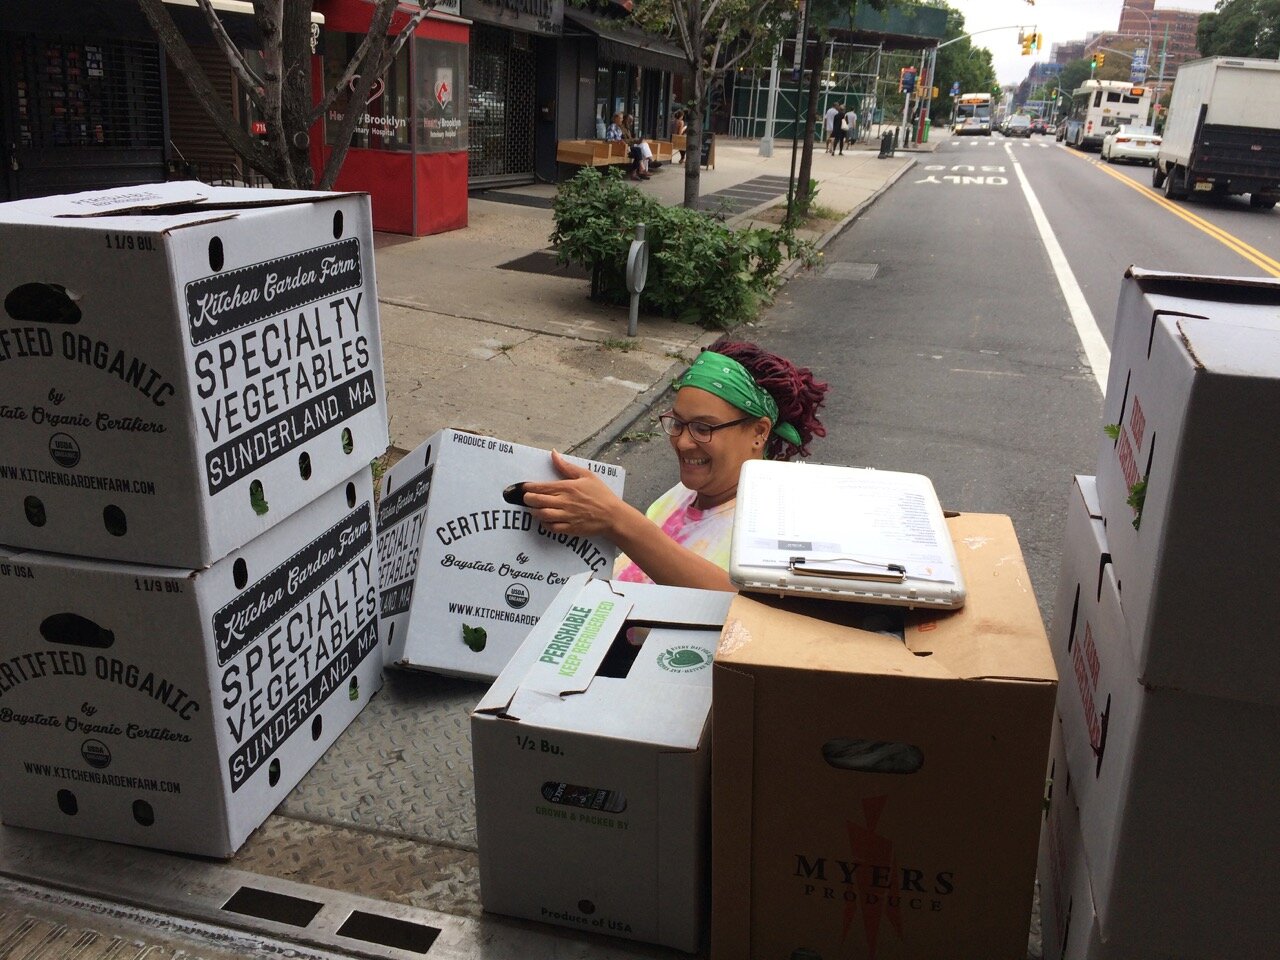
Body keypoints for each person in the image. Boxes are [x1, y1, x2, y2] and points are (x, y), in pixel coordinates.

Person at [523, 340, 828, 591]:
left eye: (703, 428)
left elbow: (747, 609)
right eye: (678, 423)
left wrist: (617, 520)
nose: (683, 442)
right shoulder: (684, 494)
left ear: (759, 432)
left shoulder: (778, 523)